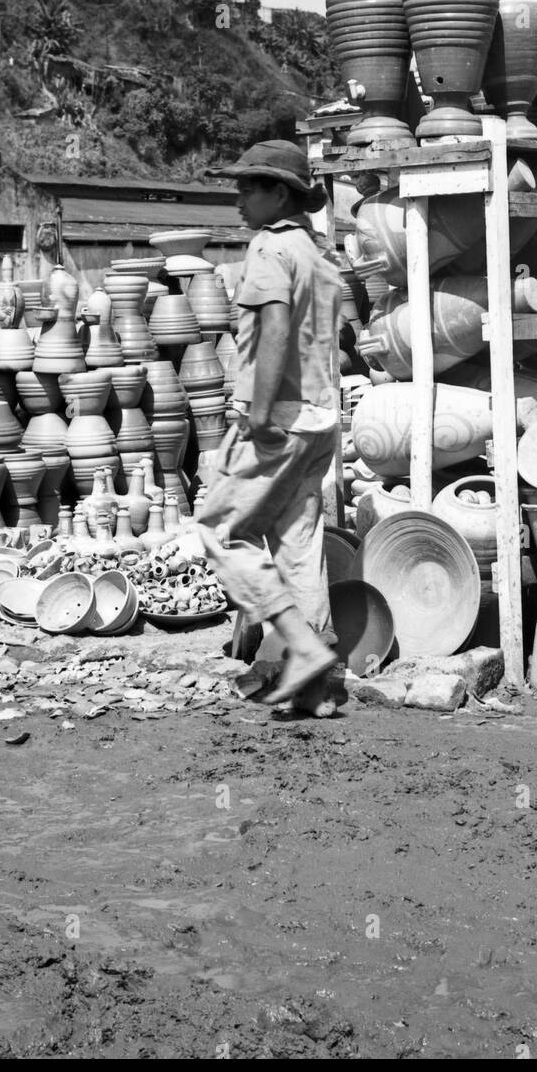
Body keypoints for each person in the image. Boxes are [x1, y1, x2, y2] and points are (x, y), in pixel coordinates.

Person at [194, 140, 343, 709]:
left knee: (220, 529)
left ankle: (302, 647)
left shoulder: (269, 248)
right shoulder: (317, 252)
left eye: (248, 188)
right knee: (296, 544)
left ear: (280, 193)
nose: (239, 199)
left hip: (276, 418)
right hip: (320, 419)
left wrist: (256, 414)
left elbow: (277, 328)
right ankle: (319, 689)